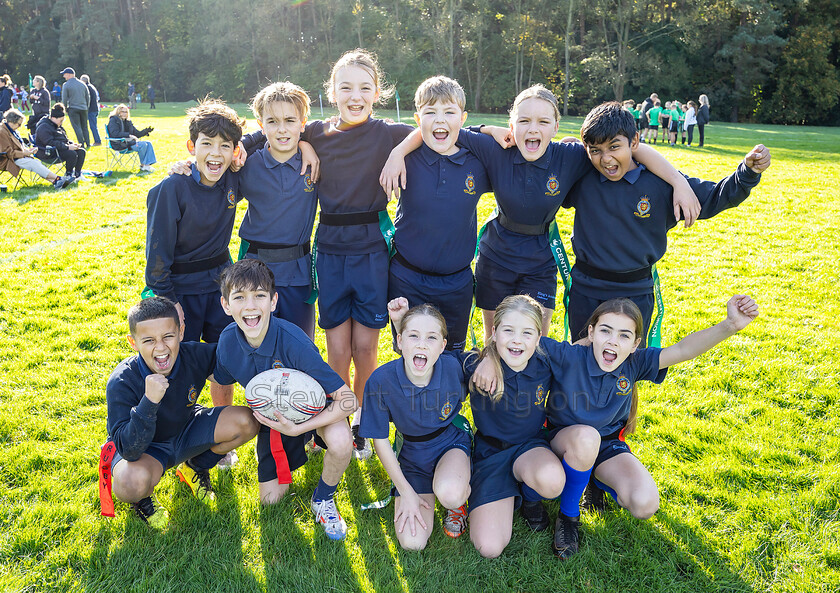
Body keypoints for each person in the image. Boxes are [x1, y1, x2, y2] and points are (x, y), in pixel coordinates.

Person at [383, 84, 700, 342]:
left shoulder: (572, 155)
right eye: (524, 121)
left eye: (543, 122)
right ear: (512, 126)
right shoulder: (495, 149)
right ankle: (492, 411)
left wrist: (678, 181)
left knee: (535, 341)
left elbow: (632, 147)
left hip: (541, 259)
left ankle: (532, 415)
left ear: (556, 127)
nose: (533, 129)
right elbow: (439, 128)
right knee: (495, 340)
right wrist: (399, 151)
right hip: (496, 255)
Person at [239, 49, 415, 460]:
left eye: (365, 88)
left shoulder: (388, 132)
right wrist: (246, 148)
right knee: (337, 350)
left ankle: (364, 424)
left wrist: (397, 152)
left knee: (366, 349)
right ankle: (336, 424)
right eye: (346, 87)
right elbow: (263, 132)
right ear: (331, 92)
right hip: (330, 251)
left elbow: (430, 126)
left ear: (378, 93)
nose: (356, 96)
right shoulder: (315, 132)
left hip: (373, 250)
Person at [542, 294, 759, 557]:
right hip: (564, 442)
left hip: (606, 445)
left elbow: (682, 350)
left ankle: (594, 481)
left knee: (644, 504)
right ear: (591, 332)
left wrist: (730, 325)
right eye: (605, 331)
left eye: (624, 335)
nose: (612, 340)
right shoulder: (569, 355)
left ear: (635, 344)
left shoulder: (635, 363)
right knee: (586, 438)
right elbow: (524, 340)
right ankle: (568, 517)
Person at [561, 101, 771, 343]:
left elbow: (716, 197)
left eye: (614, 147)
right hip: (586, 289)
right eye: (596, 150)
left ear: (634, 142)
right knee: (579, 364)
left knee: (627, 369)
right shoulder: (583, 174)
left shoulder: (661, 184)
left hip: (635, 292)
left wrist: (747, 173)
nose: (606, 159)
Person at [213, 259, 357, 540]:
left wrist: (301, 427)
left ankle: (323, 498)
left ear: (273, 301)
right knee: (270, 501)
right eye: (239, 297)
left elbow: (348, 401)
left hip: (316, 410)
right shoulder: (228, 342)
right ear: (226, 305)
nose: (250, 305)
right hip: (275, 417)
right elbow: (219, 379)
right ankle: (305, 442)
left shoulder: (294, 342)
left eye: (259, 296)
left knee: (341, 444)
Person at [101, 296, 259, 528]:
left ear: (181, 332)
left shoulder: (193, 354)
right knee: (128, 483)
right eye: (149, 340)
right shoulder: (122, 380)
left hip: (186, 429)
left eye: (168, 336)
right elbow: (128, 449)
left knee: (246, 421)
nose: (161, 347)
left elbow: (233, 362)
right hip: (148, 450)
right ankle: (143, 500)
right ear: (133, 342)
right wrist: (149, 401)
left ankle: (195, 467)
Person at [144, 98, 243, 423]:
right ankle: (176, 434)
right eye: (207, 145)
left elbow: (268, 141)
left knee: (221, 361)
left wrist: (242, 150)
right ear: (192, 146)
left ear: (234, 151)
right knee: (178, 366)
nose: (216, 154)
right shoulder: (172, 188)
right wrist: (170, 304)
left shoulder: (233, 179)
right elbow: (156, 258)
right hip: (181, 292)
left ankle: (220, 432)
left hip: (220, 289)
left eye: (225, 146)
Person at [383, 76, 490, 351]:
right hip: (407, 276)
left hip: (456, 283)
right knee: (410, 358)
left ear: (463, 118)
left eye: (449, 112)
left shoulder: (477, 162)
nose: (439, 120)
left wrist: (490, 129)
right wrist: (397, 152)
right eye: (430, 113)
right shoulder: (407, 157)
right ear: (418, 119)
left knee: (451, 361)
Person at [464, 294, 569, 558]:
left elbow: (586, 352)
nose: (516, 340)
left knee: (553, 482)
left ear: (538, 337)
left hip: (529, 448)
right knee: (489, 547)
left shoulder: (546, 358)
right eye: (508, 330)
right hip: (491, 454)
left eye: (527, 332)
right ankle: (504, 493)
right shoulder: (476, 364)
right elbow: (429, 364)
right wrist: (488, 355)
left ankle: (530, 497)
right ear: (495, 332)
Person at [361, 298, 473, 548]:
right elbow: (380, 442)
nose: (422, 344)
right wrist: (406, 492)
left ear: (443, 346)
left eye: (432, 338)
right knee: (412, 543)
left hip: (449, 443)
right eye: (413, 336)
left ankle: (458, 498)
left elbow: (487, 361)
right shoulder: (381, 381)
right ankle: (426, 489)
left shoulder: (453, 366)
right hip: (412, 456)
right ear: (399, 341)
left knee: (450, 493)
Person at [0, 109, 73, 188]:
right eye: (19, 124)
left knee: (36, 163)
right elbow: (7, 153)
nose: (19, 127)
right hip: (7, 160)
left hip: (17, 157)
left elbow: (18, 146)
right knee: (33, 164)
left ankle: (56, 182)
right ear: (11, 122)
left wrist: (27, 151)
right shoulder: (2, 132)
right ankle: (58, 179)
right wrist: (25, 153)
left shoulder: (11, 130)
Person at [33, 103, 86, 179]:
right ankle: (69, 175)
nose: (61, 123)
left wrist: (72, 144)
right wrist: (67, 147)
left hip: (59, 149)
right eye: (60, 121)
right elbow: (50, 142)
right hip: (48, 152)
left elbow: (63, 139)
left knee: (81, 151)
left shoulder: (56, 125)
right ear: (53, 118)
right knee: (72, 154)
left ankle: (77, 174)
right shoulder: (43, 127)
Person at [106, 104, 156, 172]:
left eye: (126, 112)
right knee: (143, 145)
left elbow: (136, 134)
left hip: (129, 143)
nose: (124, 113)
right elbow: (115, 134)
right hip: (119, 144)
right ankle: (143, 165)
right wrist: (129, 135)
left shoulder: (127, 122)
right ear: (118, 112)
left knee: (148, 143)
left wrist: (145, 131)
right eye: (122, 111)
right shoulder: (113, 120)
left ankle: (147, 165)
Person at [60, 67, 90, 148]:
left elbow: (65, 98)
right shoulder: (82, 84)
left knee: (77, 127)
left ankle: (81, 144)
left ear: (69, 75)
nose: (63, 76)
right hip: (83, 108)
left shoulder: (66, 85)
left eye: (64, 74)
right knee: (85, 126)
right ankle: (88, 143)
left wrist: (64, 108)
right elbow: (88, 97)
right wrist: (86, 106)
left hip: (73, 108)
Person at [80, 74, 101, 146]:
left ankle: (97, 141)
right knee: (93, 126)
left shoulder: (87, 87)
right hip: (95, 109)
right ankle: (96, 140)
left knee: (93, 126)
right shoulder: (91, 86)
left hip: (91, 110)